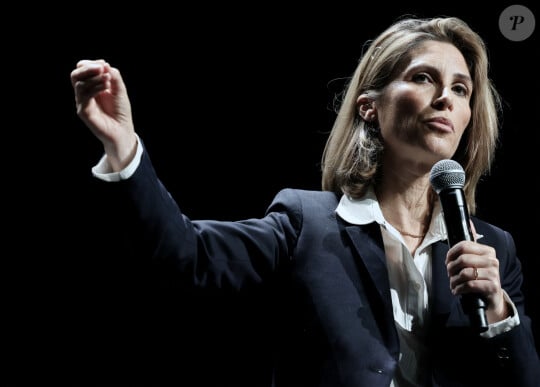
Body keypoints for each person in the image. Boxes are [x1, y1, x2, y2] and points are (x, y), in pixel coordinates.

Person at [71, 16, 540, 387]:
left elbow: (523, 380)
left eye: (461, 89)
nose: (445, 99)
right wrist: (124, 148)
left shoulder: (493, 248)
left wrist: (497, 308)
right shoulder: (307, 223)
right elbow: (185, 254)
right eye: (423, 78)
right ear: (369, 106)